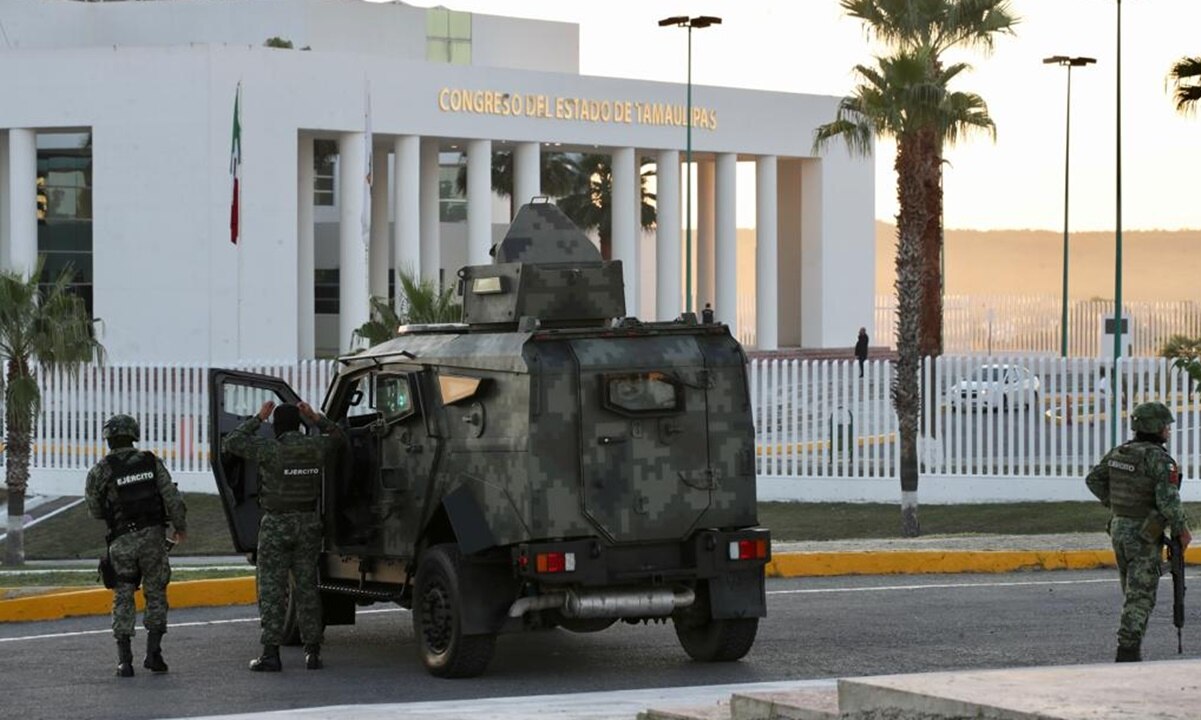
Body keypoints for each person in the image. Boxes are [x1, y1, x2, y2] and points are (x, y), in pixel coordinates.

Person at [224, 400, 343, 672]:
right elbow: (339, 437)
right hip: (308, 524)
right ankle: (313, 653)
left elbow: (233, 442)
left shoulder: (270, 449)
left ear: (276, 426)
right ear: (299, 424)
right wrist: (316, 418)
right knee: (307, 588)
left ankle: (271, 653)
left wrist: (257, 418)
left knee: (272, 589)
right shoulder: (315, 447)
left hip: (276, 524)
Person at [1085, 401, 1191, 662]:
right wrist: (1182, 531)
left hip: (1120, 528)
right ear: (1154, 427)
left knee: (1131, 591)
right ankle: (1127, 653)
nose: (1168, 430)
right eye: (1165, 425)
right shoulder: (1159, 459)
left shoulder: (1120, 452)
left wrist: (1117, 505)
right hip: (1144, 533)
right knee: (1141, 596)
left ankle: (1130, 646)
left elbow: (1094, 480)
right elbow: (1169, 501)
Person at [85, 414, 188, 677]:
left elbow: (95, 510)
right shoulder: (151, 462)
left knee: (122, 595)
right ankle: (154, 654)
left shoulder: (101, 469)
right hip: (153, 538)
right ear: (134, 434)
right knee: (155, 593)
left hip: (121, 540)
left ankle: (125, 661)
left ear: (109, 439)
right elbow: (172, 497)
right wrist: (180, 525)